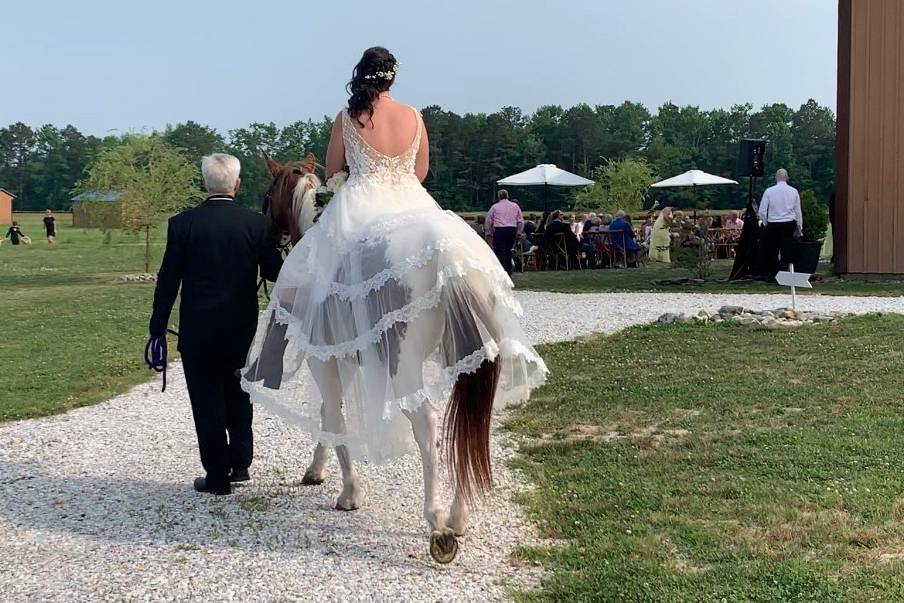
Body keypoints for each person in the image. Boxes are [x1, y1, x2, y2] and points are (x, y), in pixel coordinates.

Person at [241, 47, 545, 501]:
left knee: (304, 276)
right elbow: (419, 172)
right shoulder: (414, 117)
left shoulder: (347, 118)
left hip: (362, 207)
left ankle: (300, 351)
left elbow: (332, 171)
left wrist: (356, 170)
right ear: (392, 81)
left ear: (360, 77)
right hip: (412, 205)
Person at [149, 154, 284, 495]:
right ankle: (240, 463)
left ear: (204, 184)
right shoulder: (257, 225)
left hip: (198, 329)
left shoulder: (182, 224)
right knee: (240, 393)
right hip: (241, 328)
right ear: (237, 185)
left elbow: (168, 280)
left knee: (206, 399)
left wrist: (157, 327)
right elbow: (273, 273)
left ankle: (217, 475)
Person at [758, 168, 802, 281]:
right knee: (786, 251)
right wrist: (799, 227)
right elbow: (798, 212)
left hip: (773, 224)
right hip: (789, 224)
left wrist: (766, 223)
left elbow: (762, 211)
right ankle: (784, 276)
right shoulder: (793, 191)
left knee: (771, 251)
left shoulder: (769, 191)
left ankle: (771, 276)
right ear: (787, 177)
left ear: (776, 177)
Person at [485, 189, 523, 275]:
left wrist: (488, 232)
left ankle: (501, 271)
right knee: (508, 251)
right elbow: (520, 220)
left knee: (499, 251)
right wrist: (519, 232)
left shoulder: (495, 207)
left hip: (500, 230)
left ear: (499, 197)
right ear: (507, 196)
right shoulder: (515, 206)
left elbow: (488, 220)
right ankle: (508, 271)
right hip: (512, 229)